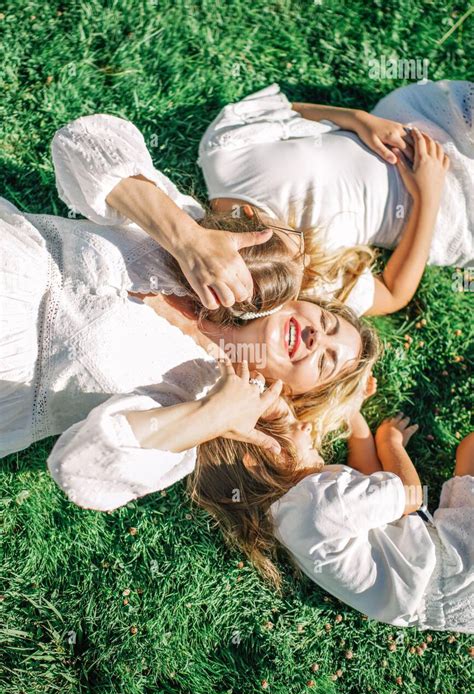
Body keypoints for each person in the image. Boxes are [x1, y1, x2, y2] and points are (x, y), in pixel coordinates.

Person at [0, 114, 378, 509]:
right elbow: (80, 143)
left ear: (296, 391)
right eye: (327, 322)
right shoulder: (211, 241)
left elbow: (79, 466)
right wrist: (185, 237)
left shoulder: (193, 394)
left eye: (325, 361)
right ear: (301, 301)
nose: (319, 339)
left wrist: (211, 414)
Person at [190, 389, 474, 633]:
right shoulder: (317, 502)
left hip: (442, 604)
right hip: (458, 566)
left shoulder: (287, 512)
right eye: (290, 425)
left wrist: (351, 411)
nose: (306, 427)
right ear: (257, 460)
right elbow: (409, 494)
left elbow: (366, 476)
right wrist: (390, 442)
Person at [199, 80, 472, 315]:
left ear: (250, 219)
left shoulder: (224, 156)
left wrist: (357, 119)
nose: (308, 259)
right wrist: (428, 196)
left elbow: (287, 113)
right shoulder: (293, 279)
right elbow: (392, 294)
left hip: (412, 126)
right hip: (447, 211)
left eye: (298, 249)